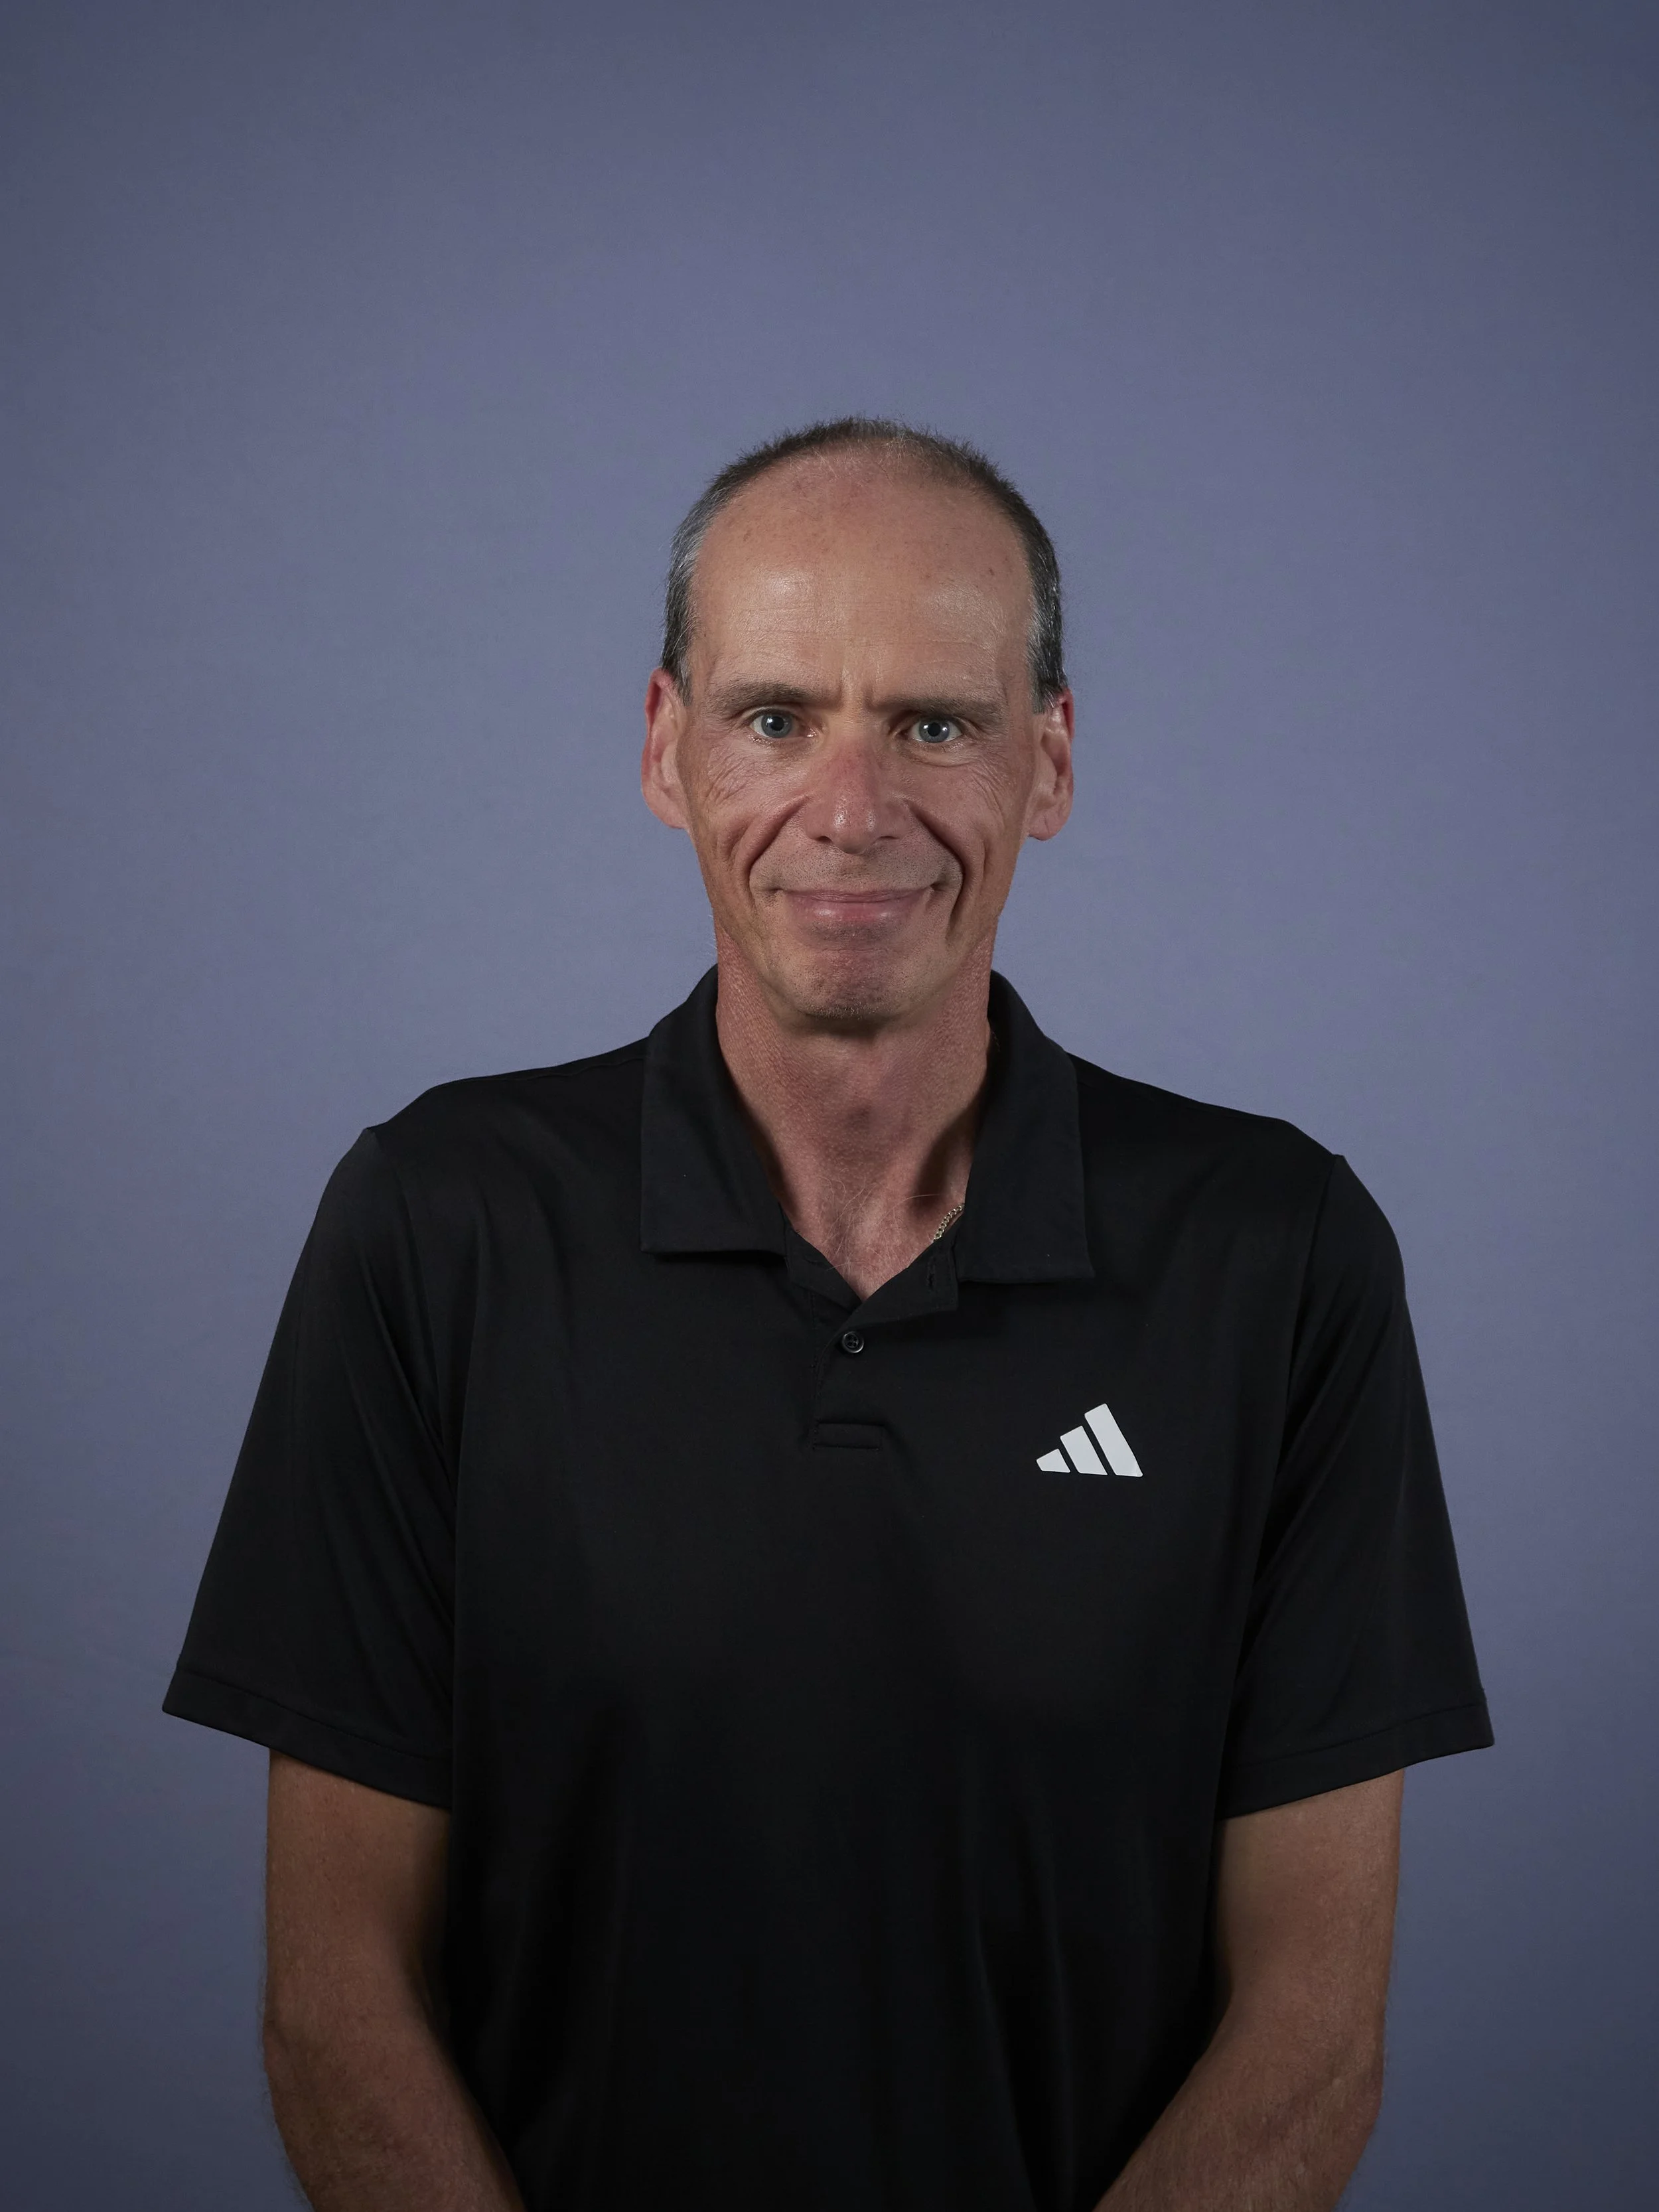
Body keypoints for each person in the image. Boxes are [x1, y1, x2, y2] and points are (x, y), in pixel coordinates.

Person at [165, 417, 1492, 2212]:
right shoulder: (438, 1224)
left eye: (933, 722)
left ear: (1051, 760)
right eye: (776, 715)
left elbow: (1310, 2029)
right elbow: (336, 2003)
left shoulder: (1276, 1256)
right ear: (665, 747)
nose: (849, 810)